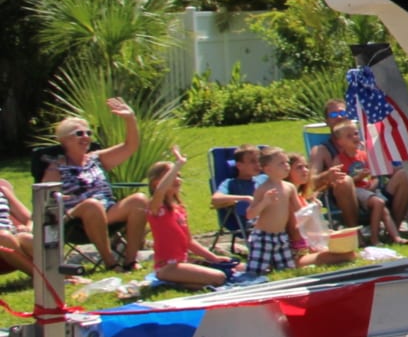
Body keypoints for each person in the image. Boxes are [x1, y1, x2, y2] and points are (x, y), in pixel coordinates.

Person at [39, 98, 150, 271]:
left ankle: (130, 260)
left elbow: (130, 146)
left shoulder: (97, 158)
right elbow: (45, 197)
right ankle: (110, 262)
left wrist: (130, 119)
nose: (86, 137)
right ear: (64, 140)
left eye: (88, 133)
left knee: (140, 200)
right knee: (92, 204)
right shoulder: (56, 167)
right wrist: (59, 198)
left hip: (107, 211)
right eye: (79, 134)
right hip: (76, 218)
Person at [145, 152, 236, 288]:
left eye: (178, 176)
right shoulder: (156, 208)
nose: (177, 179)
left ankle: (181, 283)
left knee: (234, 269)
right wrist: (178, 164)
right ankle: (174, 283)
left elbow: (189, 242)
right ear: (155, 183)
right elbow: (160, 191)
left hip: (182, 262)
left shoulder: (179, 209)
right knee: (219, 277)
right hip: (167, 267)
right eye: (171, 176)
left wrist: (213, 258)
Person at [326, 98, 408, 235]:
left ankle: (393, 234)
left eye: (355, 134)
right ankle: (360, 235)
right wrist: (356, 178)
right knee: (346, 182)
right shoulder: (326, 152)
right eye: (333, 115)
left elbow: (382, 169)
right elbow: (331, 181)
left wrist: (375, 181)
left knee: (405, 174)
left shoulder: (366, 148)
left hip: (373, 190)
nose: (339, 116)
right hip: (353, 197)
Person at [310, 121, 401, 244]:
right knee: (379, 203)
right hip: (355, 192)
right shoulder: (339, 160)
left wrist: (372, 184)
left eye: (356, 133)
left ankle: (395, 237)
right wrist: (357, 178)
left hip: (369, 190)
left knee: (384, 209)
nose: (355, 137)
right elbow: (337, 180)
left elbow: (374, 175)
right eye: (349, 136)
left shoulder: (364, 155)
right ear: (340, 142)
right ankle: (374, 238)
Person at [285, 160, 358, 268]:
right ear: (288, 172)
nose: (305, 170)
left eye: (306, 167)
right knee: (348, 255)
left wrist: (326, 233)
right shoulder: (288, 200)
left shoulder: (302, 197)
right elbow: (296, 233)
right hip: (297, 254)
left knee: (348, 253)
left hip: (311, 246)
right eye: (299, 167)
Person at [244, 149, 298, 277]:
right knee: (254, 274)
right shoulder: (263, 189)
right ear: (268, 170)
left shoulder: (290, 187)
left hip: (281, 237)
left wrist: (313, 207)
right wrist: (264, 202)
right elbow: (250, 215)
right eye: (281, 163)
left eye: (287, 162)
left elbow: (299, 209)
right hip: (263, 237)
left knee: (288, 272)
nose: (287, 166)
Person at [0, 176, 34, 277]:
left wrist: (27, 228)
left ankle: (62, 275)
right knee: (3, 236)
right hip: (3, 239)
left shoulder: (2, 190)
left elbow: (30, 218)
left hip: (11, 239)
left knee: (27, 238)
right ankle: (41, 278)